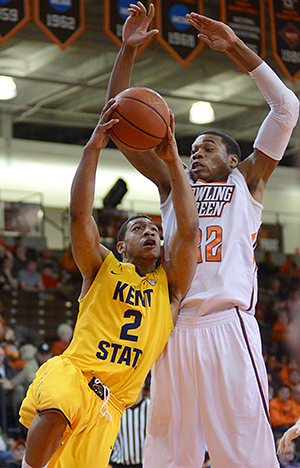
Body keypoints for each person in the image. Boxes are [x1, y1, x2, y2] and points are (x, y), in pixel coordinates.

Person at [106, 3, 299, 467]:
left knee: (244, 452)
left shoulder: (246, 182)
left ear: (233, 160)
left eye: (207, 148)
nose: (195, 155)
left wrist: (234, 45)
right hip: (171, 326)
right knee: (169, 454)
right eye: (191, 149)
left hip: (226, 324)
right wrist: (126, 52)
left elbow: (286, 107)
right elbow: (117, 124)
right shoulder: (175, 186)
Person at [18, 98, 198, 468]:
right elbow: (79, 215)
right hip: (77, 374)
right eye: (138, 228)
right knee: (55, 409)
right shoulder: (101, 267)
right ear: (120, 245)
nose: (150, 231)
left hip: (111, 404)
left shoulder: (171, 288)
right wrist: (92, 150)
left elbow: (190, 231)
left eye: (155, 229)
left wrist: (171, 160)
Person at [109, 377, 150, 468]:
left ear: (143, 383)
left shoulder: (150, 407)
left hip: (143, 464)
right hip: (119, 464)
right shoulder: (116, 407)